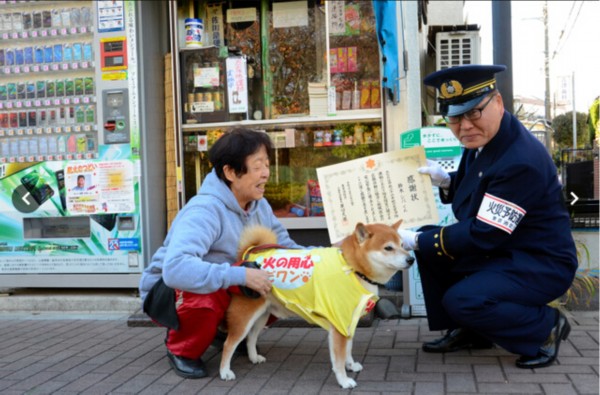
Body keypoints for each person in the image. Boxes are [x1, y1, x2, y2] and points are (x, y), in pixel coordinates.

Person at [398, 64, 577, 369]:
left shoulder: (521, 160)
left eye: (473, 113)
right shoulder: (485, 138)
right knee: (432, 246)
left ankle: (544, 328)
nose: (464, 126)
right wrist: (447, 180)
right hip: (505, 249)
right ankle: (474, 330)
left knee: (461, 294)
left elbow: (485, 232)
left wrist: (417, 240)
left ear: (497, 103)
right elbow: (482, 186)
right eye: (454, 117)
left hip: (539, 262)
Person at [139, 128, 305, 379]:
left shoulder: (259, 205)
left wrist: (329, 258)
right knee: (208, 298)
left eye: (268, 164)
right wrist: (241, 276)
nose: (266, 173)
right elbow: (176, 269)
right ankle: (182, 349)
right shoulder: (204, 210)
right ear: (230, 172)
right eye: (258, 165)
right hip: (169, 292)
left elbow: (286, 249)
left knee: (278, 279)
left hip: (223, 284)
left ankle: (224, 333)